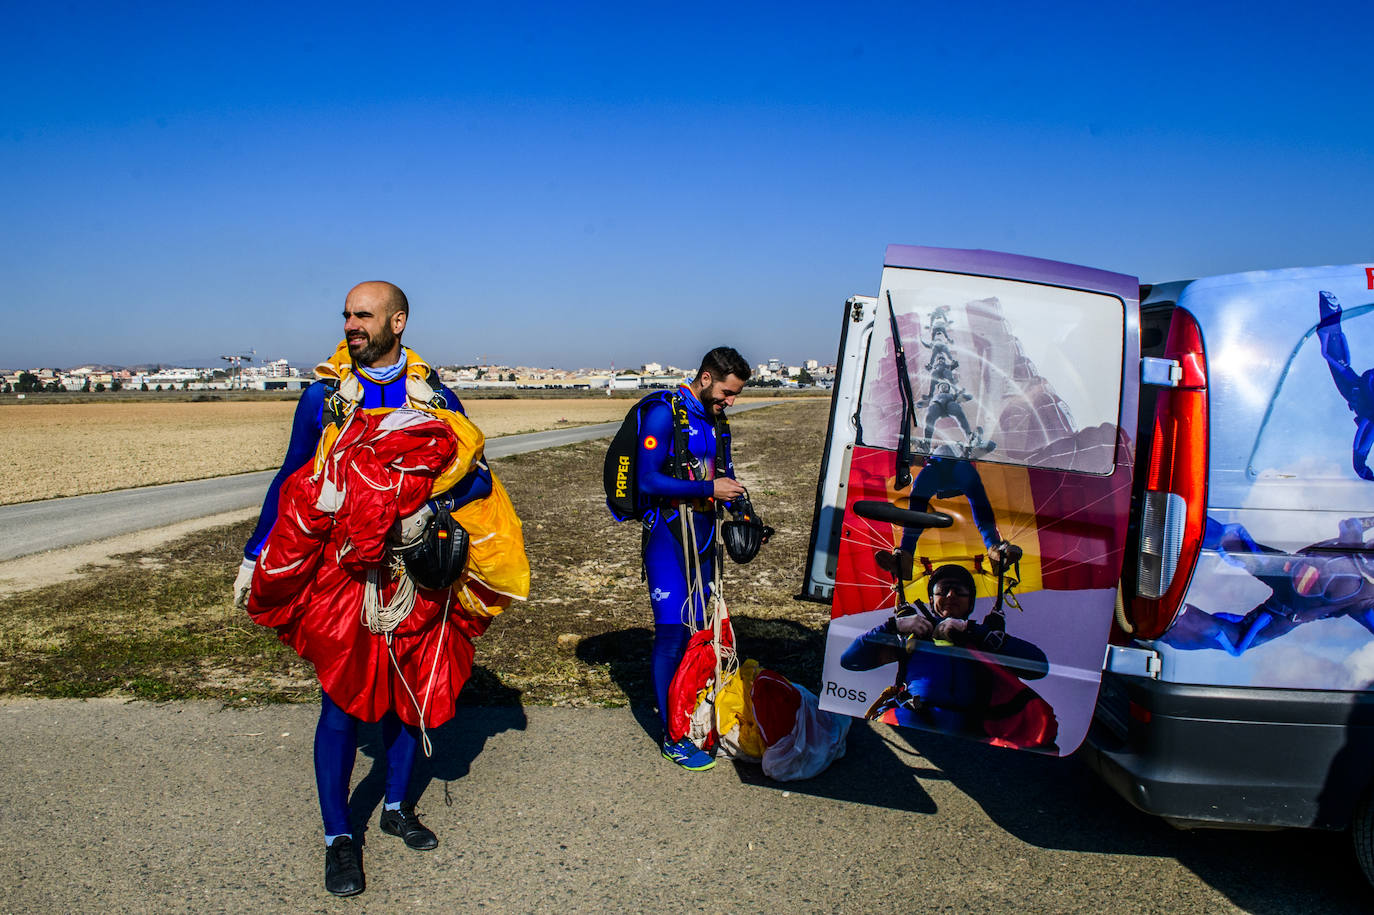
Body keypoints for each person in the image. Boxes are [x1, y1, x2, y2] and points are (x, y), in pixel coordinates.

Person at [233, 281, 497, 897]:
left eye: (364, 315)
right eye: (347, 315)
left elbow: (479, 477)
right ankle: (338, 838)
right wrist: (255, 552)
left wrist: (427, 505)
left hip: (413, 569)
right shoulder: (323, 398)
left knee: (411, 692)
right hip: (344, 573)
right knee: (342, 701)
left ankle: (397, 807)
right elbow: (290, 476)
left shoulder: (436, 398)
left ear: (397, 322)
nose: (352, 324)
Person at [634, 346, 750, 770]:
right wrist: (708, 490)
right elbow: (647, 479)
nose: (729, 401)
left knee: (700, 632)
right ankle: (673, 735)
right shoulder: (664, 413)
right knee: (671, 634)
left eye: (735, 395)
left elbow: (723, 472)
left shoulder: (716, 421)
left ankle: (694, 714)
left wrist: (741, 507)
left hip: (704, 536)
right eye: (726, 392)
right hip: (667, 536)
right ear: (706, 378)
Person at [840, 564, 1055, 749]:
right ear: (931, 599)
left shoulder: (982, 640)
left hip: (971, 728)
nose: (951, 595)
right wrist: (893, 626)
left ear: (970, 602)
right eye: (943, 590)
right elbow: (850, 660)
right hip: (914, 717)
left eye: (959, 591)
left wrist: (975, 631)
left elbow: (1039, 667)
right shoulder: (913, 635)